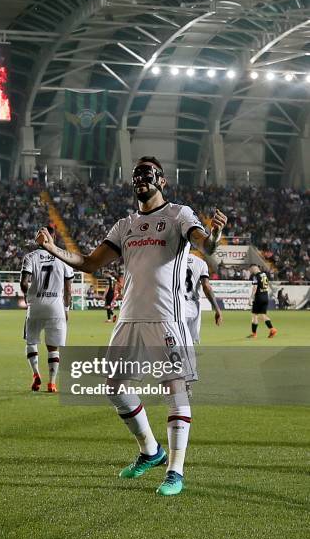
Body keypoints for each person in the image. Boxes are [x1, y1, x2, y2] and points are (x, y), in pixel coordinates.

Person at [36, 156, 227, 496]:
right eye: (137, 175)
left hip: (166, 316)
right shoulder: (124, 225)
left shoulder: (178, 214)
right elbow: (90, 263)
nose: (141, 179)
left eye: (148, 174)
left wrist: (214, 237)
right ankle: (150, 450)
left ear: (162, 180)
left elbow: (204, 244)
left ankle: (175, 471)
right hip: (128, 318)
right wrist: (54, 250)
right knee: (113, 385)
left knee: (176, 389)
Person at [20, 224, 73, 393]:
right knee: (53, 347)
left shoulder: (30, 257)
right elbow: (69, 290)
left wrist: (27, 296)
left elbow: (23, 283)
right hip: (56, 306)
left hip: (35, 306)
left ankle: (36, 374)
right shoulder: (64, 257)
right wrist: (66, 308)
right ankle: (52, 383)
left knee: (31, 342)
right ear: (53, 237)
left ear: (38, 239)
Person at [185, 252, 222, 344]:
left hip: (176, 305)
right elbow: (206, 286)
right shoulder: (200, 263)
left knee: (175, 341)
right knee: (190, 342)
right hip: (193, 307)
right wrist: (217, 309)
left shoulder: (173, 260)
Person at [248, 264, 277, 338]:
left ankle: (254, 334)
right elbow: (267, 284)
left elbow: (255, 287)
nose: (251, 272)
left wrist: (251, 298)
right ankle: (272, 329)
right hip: (265, 297)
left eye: (251, 270)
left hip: (259, 298)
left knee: (255, 315)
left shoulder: (255, 276)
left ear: (254, 268)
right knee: (263, 315)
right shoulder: (264, 275)